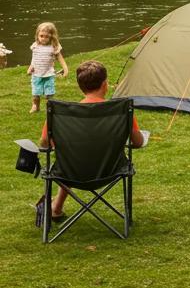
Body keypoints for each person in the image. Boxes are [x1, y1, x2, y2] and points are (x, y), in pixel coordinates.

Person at [41, 60, 145, 222]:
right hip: (111, 171)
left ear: (80, 87)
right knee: (80, 157)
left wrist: (63, 146)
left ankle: (56, 207)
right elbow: (138, 143)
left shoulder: (61, 114)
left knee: (75, 158)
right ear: (105, 84)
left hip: (70, 172)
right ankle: (56, 207)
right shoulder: (121, 111)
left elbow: (44, 144)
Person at [27, 21, 70, 115]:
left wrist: (65, 69)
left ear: (52, 36)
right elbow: (34, 58)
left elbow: (60, 59)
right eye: (41, 36)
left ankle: (50, 109)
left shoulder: (54, 47)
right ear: (37, 35)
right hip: (36, 75)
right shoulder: (35, 46)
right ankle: (35, 106)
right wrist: (31, 67)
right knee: (35, 95)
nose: (43, 38)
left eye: (46, 37)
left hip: (49, 75)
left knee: (49, 95)